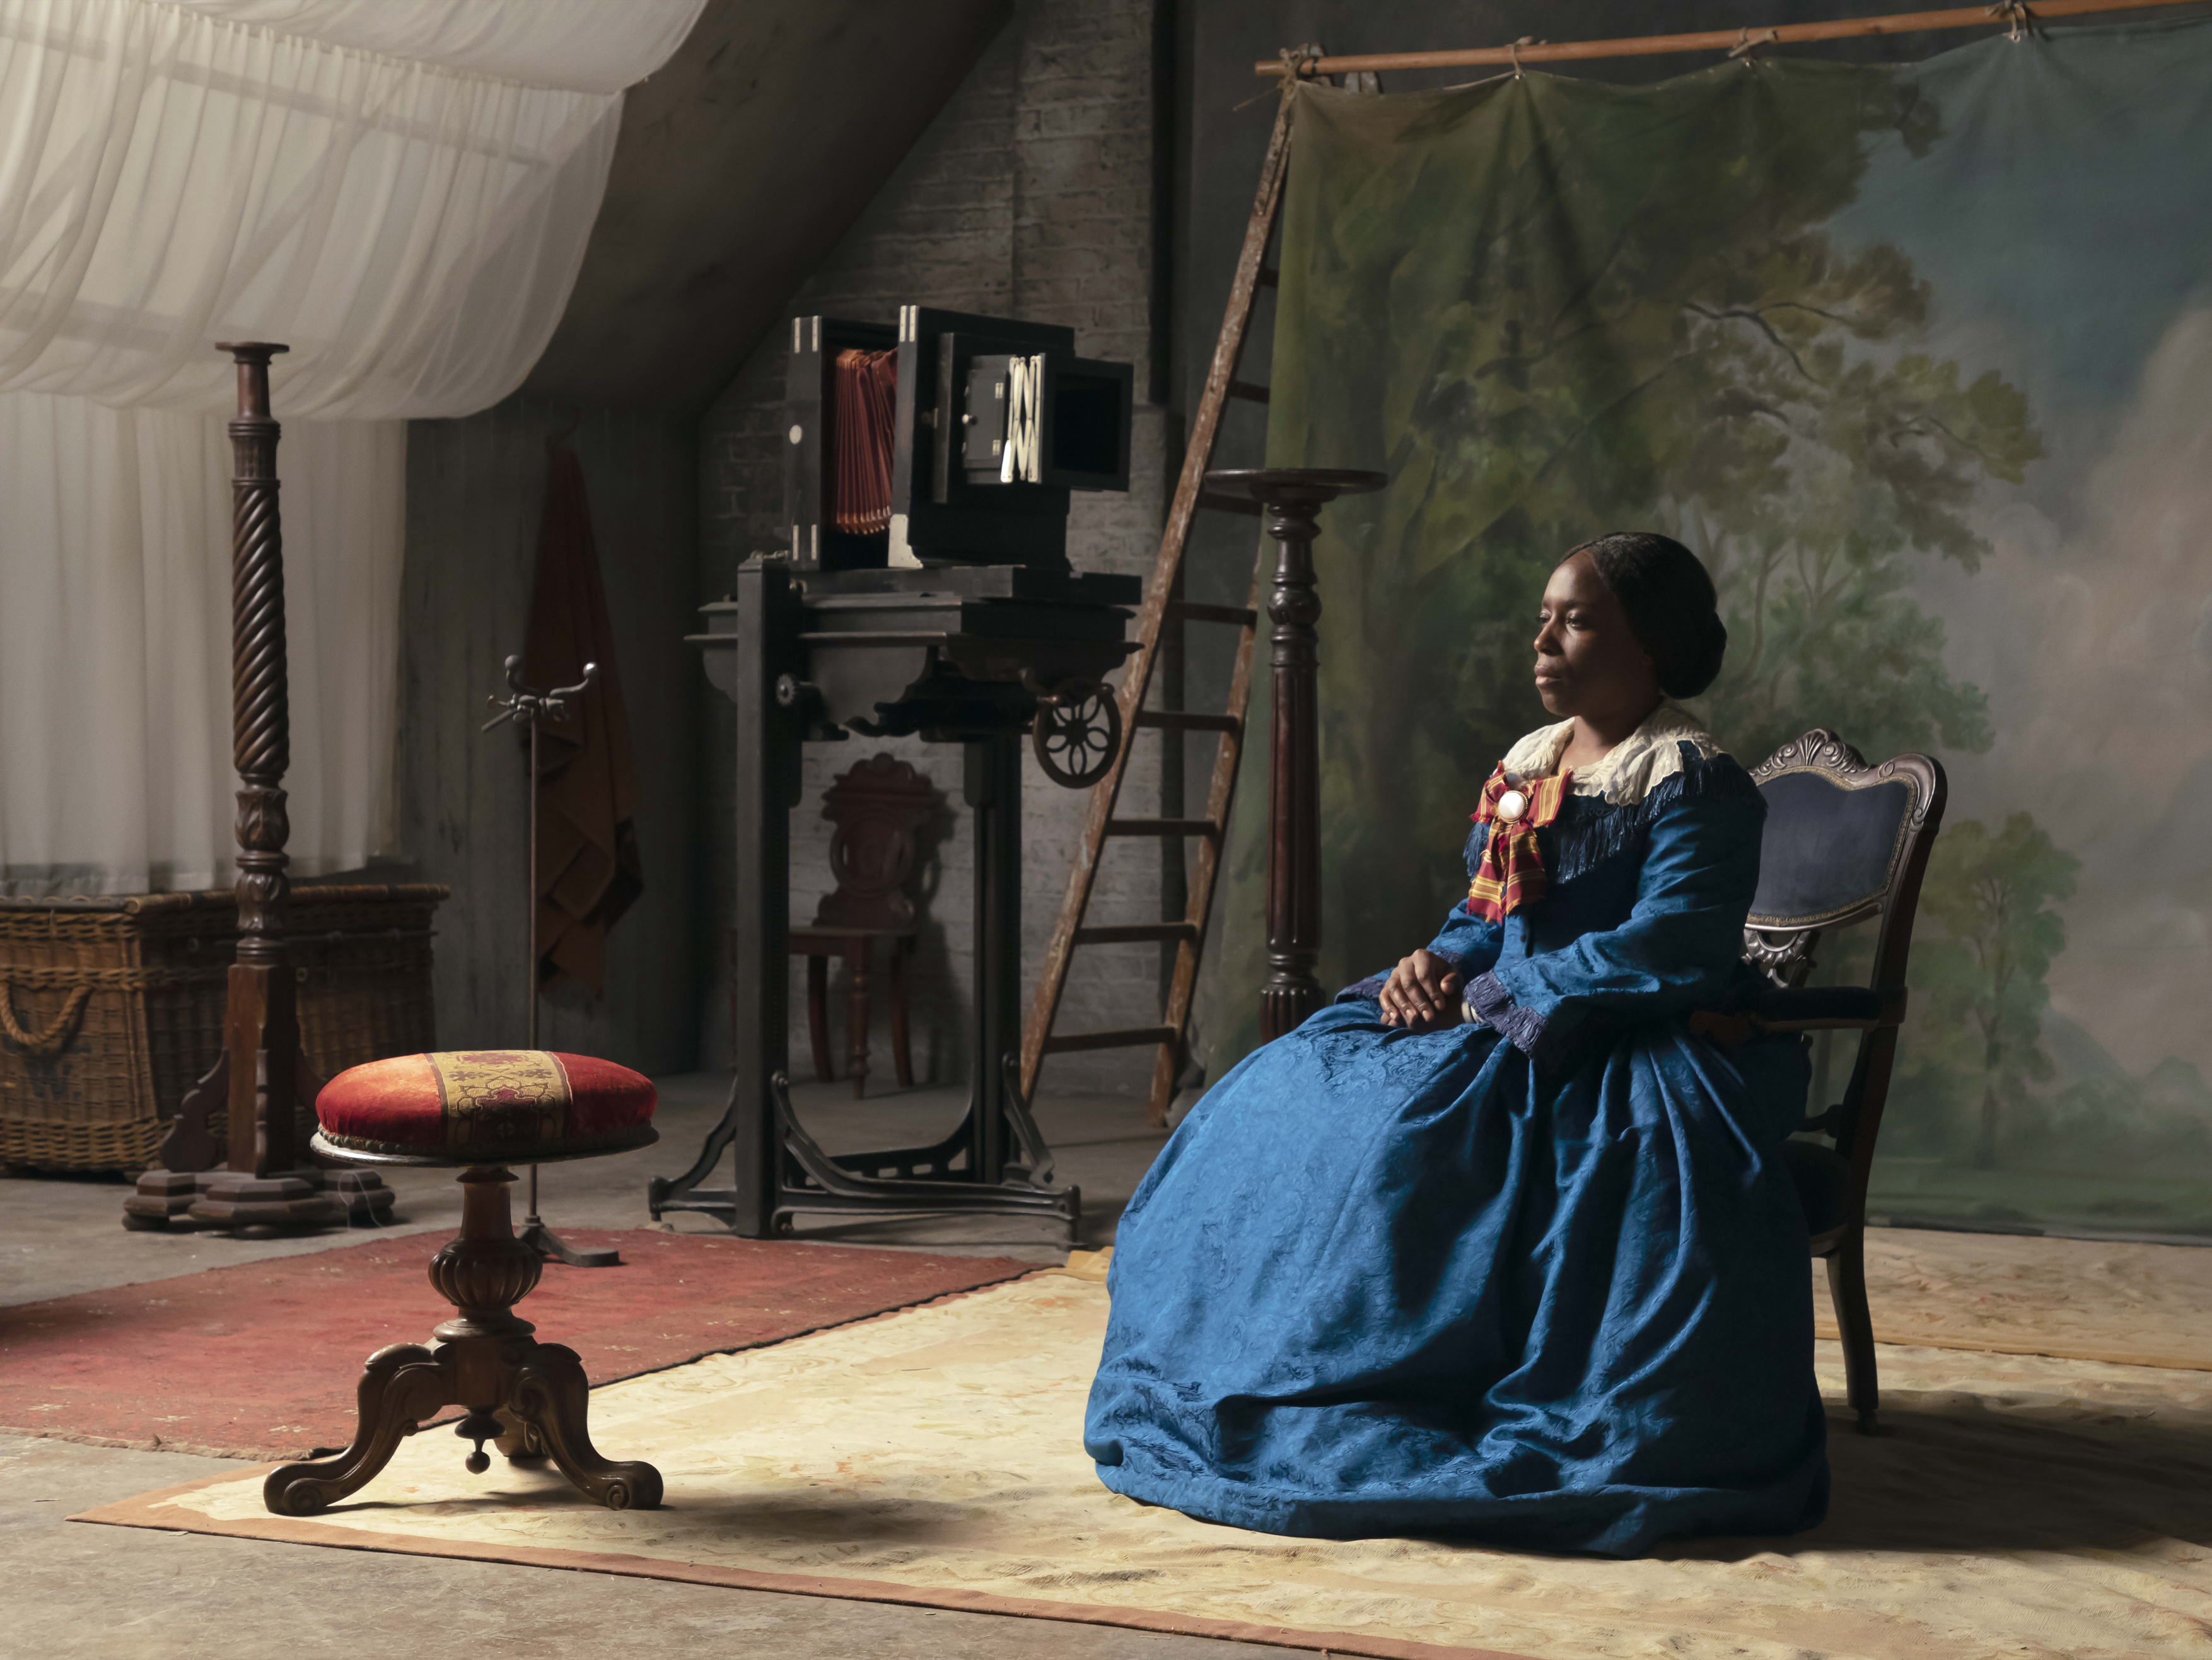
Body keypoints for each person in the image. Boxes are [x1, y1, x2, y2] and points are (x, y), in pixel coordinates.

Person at [1083, 532, 1827, 1558]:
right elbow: (1485, 913)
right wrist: (1436, 961)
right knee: (1297, 1079)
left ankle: (1436, 1378)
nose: (1545, 639)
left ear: (1650, 644)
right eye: (1543, 616)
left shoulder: (1694, 779)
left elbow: (1675, 943)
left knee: (1427, 1137)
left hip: (1631, 1030)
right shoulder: (1528, 764)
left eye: (1576, 621)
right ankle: (1261, 1355)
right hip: (1501, 1001)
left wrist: (1502, 995)